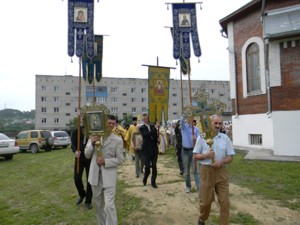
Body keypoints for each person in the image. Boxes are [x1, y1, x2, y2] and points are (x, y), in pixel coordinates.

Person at [193, 114, 235, 225]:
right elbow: (195, 156)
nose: (217, 125)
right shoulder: (202, 137)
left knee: (225, 202)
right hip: (206, 171)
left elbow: (231, 156)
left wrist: (222, 161)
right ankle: (202, 219)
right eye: (215, 123)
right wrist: (206, 155)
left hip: (221, 172)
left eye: (220, 123)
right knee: (206, 202)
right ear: (210, 123)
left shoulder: (225, 138)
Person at [85, 114, 124, 225]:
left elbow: (120, 159)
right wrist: (92, 142)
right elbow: (87, 155)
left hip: (109, 177)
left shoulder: (117, 140)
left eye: (113, 123)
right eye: (109, 122)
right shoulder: (94, 135)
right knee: (99, 206)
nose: (111, 125)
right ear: (105, 122)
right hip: (95, 176)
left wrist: (105, 162)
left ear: (115, 124)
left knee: (109, 206)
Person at [71, 119, 93, 209]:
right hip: (79, 157)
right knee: (77, 178)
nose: (85, 121)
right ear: (82, 120)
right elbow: (73, 144)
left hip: (89, 157)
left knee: (89, 180)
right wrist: (75, 151)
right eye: (84, 119)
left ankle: (88, 201)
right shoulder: (77, 130)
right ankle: (82, 194)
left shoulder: (92, 131)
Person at [180, 114, 200, 193]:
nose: (189, 119)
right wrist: (184, 115)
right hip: (185, 151)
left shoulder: (196, 129)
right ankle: (188, 186)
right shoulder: (183, 128)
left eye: (191, 117)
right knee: (186, 171)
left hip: (194, 151)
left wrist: (196, 138)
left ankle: (199, 188)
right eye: (188, 118)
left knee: (196, 170)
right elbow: (181, 121)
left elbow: (200, 140)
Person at [139, 113, 159, 188]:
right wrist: (155, 128)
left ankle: (153, 182)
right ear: (143, 120)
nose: (146, 120)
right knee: (147, 168)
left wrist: (158, 140)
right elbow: (146, 135)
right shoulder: (142, 128)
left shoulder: (152, 126)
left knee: (154, 167)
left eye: (147, 118)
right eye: (144, 119)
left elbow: (154, 136)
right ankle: (145, 178)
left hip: (154, 149)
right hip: (146, 150)